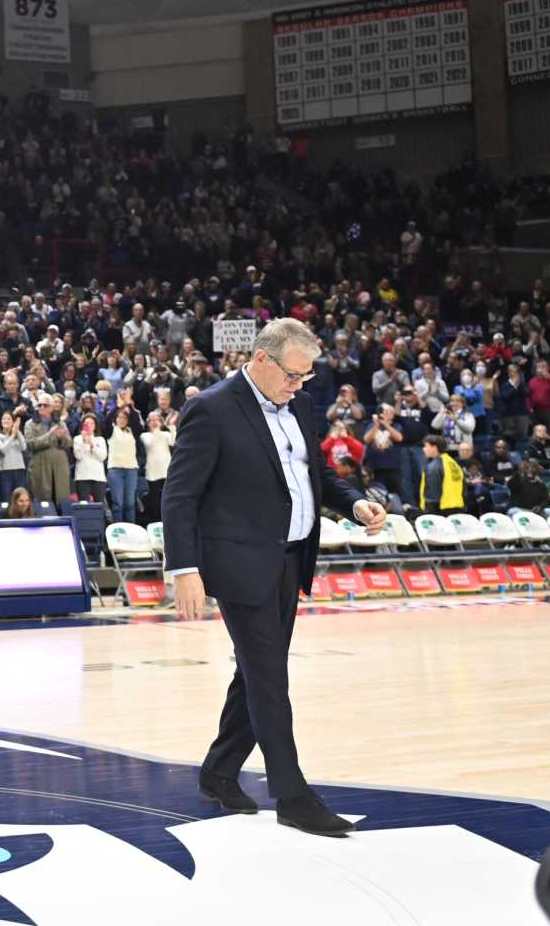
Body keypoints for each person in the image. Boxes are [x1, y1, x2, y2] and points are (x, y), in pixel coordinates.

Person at [162, 318, 386, 838]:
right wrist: (184, 569)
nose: (300, 385)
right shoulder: (212, 408)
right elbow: (180, 495)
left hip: (291, 560)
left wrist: (354, 504)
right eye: (293, 375)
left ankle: (219, 771)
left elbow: (316, 474)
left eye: (307, 377)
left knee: (257, 671)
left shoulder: (300, 405)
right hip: (240, 565)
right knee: (269, 677)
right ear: (262, 359)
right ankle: (292, 794)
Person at [24, 395, 72, 506]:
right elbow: (31, 444)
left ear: (51, 408)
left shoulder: (60, 423)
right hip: (40, 464)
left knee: (61, 498)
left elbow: (69, 443)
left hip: (59, 465)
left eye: (45, 405)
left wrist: (61, 437)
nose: (42, 407)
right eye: (39, 405)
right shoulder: (30, 424)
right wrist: (49, 434)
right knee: (43, 499)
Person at [139, 411, 175, 524]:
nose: (154, 422)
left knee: (168, 497)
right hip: (153, 471)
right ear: (148, 423)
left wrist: (172, 428)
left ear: (161, 422)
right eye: (152, 420)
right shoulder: (145, 435)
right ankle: (156, 521)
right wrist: (157, 430)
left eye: (157, 420)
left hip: (166, 470)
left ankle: (168, 520)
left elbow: (174, 441)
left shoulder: (165, 434)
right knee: (154, 499)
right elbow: (150, 443)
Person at [106, 407, 140, 523]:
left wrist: (129, 404)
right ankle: (119, 531)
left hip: (131, 470)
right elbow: (107, 419)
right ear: (115, 419)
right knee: (118, 503)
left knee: (130, 503)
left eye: (124, 418)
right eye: (119, 417)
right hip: (115, 470)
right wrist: (118, 406)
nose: (122, 419)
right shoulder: (111, 430)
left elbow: (136, 419)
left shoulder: (132, 431)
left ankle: (132, 529)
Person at [0, 411, 30, 504]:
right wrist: (12, 435)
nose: (6, 420)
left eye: (9, 418)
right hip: (5, 471)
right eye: (4, 418)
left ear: (13, 421)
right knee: (6, 498)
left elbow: (23, 447)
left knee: (20, 496)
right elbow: (3, 449)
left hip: (20, 470)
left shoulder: (18, 435)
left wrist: (17, 430)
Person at [419, 435, 464, 515]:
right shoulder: (453, 463)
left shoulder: (434, 466)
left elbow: (432, 493)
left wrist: (428, 511)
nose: (423, 449)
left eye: (426, 446)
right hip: (457, 506)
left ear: (434, 447)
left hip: (440, 510)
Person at [73, 414, 108, 503]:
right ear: (82, 426)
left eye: (92, 423)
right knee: (84, 506)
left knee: (99, 506)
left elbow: (103, 457)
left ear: (95, 426)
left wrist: (92, 445)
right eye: (87, 423)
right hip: (82, 477)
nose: (89, 425)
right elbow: (78, 456)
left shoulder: (100, 439)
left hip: (98, 478)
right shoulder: (77, 439)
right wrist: (84, 442)